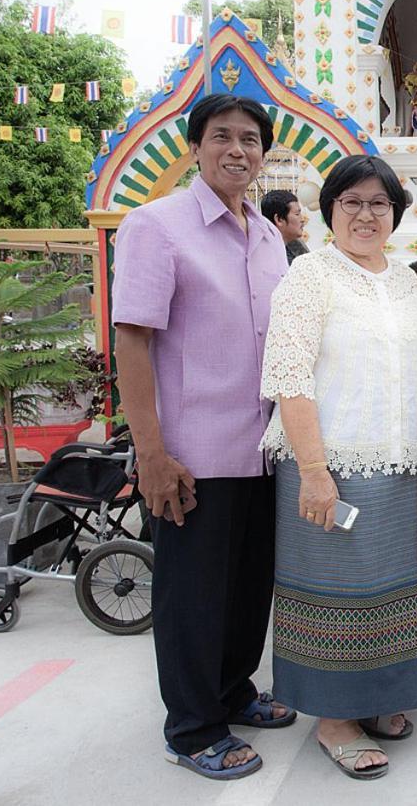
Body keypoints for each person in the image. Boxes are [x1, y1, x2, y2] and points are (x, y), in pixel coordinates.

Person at [113, 94, 295, 781]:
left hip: (263, 446)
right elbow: (133, 339)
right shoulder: (155, 227)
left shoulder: (269, 235)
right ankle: (191, 728)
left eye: (250, 139)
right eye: (222, 137)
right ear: (195, 147)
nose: (237, 150)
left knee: (250, 588)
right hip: (192, 452)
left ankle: (233, 691)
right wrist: (152, 454)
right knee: (193, 596)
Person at [259, 154, 417, 780]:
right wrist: (313, 470)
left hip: (392, 464)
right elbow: (289, 375)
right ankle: (334, 719)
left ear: (395, 212)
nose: (366, 214)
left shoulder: (405, 281)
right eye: (352, 202)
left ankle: (375, 699)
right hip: (328, 463)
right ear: (328, 209)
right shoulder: (311, 275)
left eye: (379, 204)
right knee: (333, 591)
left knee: (386, 588)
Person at [261, 189, 309, 264]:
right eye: (297, 214)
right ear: (279, 219)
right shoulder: (264, 255)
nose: (302, 219)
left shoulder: (297, 246)